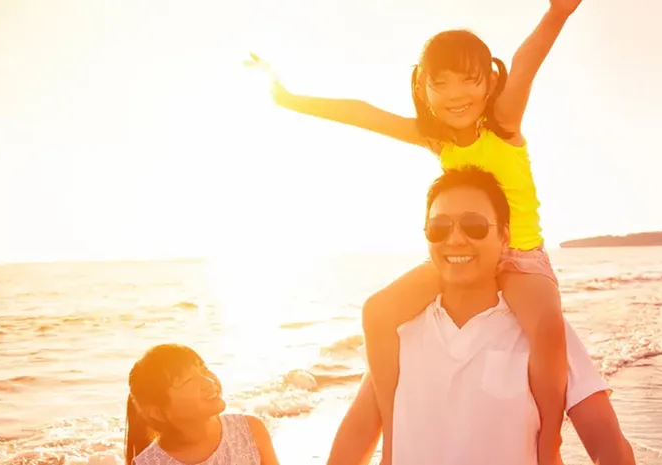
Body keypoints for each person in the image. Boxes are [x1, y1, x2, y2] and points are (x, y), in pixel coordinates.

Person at [246, 1, 583, 462]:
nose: (455, 93)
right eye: (439, 82)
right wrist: (287, 98)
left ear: (489, 82)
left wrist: (556, 14)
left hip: (519, 257)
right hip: (458, 256)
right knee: (378, 311)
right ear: (422, 90)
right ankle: (395, 430)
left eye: (468, 79)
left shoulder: (503, 125)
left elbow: (527, 63)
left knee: (546, 327)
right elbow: (362, 113)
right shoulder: (437, 138)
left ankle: (549, 444)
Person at [325, 167, 636, 465]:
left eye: (473, 225)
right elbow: (353, 443)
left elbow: (609, 448)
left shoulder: (541, 331)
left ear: (504, 237)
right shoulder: (400, 333)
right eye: (439, 227)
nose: (455, 239)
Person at [124, 343, 280, 465]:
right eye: (187, 380)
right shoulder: (149, 463)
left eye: (204, 370)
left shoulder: (249, 430)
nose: (208, 381)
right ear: (158, 412)